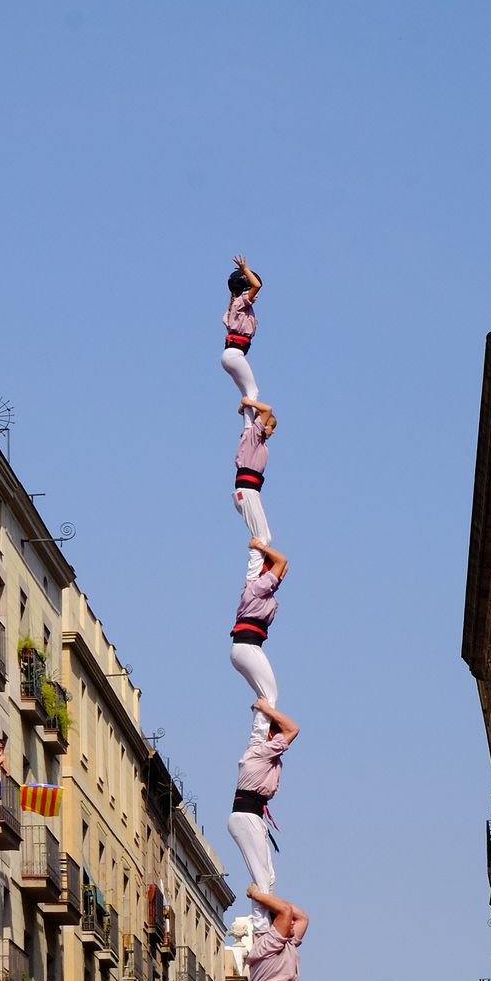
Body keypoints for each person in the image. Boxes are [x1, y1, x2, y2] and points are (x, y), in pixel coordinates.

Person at [227, 699, 299, 932]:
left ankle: (264, 923)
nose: (282, 741)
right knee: (262, 879)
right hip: (246, 817)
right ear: (272, 737)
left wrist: (261, 711)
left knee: (269, 878)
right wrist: (267, 710)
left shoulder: (262, 751)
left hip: (253, 816)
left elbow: (258, 732)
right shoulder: (261, 752)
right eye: (277, 736)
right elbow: (293, 729)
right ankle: (261, 930)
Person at [230, 540, 288, 739]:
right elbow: (282, 562)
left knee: (267, 696)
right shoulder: (256, 587)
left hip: (246, 647)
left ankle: (264, 728)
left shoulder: (269, 597)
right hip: (246, 647)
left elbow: (282, 567)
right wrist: (261, 547)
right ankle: (260, 737)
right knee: (270, 697)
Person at [245, 888, 306, 981]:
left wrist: (268, 897)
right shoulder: (270, 942)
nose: (292, 922)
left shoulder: (289, 942)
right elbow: (286, 911)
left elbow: (302, 917)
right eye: (289, 921)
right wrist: (256, 894)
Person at [233, 399, 277, 577]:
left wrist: (245, 410)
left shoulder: (256, 441)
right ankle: (253, 578)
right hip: (247, 492)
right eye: (270, 426)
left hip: (251, 493)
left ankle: (261, 569)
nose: (272, 431)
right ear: (262, 423)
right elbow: (268, 409)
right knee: (261, 538)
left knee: (267, 537)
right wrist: (248, 401)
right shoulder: (254, 436)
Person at [221, 255, 262, 409]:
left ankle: (246, 418)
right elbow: (257, 285)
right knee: (253, 391)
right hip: (234, 354)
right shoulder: (240, 302)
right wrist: (245, 269)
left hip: (229, 355)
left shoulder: (233, 306)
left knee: (246, 392)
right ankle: (249, 428)